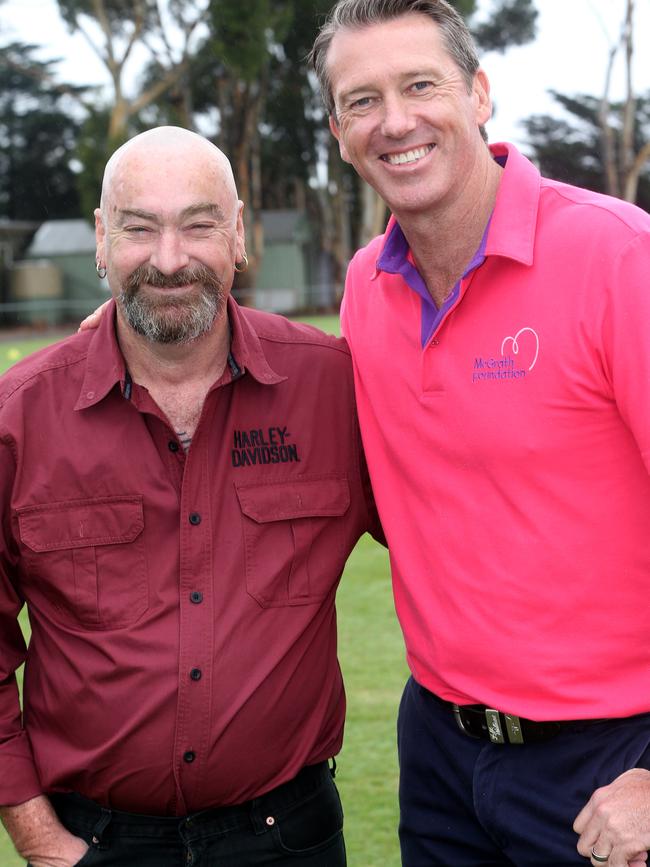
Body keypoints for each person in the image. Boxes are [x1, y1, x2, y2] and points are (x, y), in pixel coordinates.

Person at [310, 1, 650, 865]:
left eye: (419, 84)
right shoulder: (364, 287)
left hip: (613, 765)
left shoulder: (620, 259)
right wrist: (129, 327)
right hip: (440, 758)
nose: (395, 120)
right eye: (361, 100)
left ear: (480, 94)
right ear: (339, 132)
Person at [0, 126, 381, 867]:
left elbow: (466, 537)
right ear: (102, 242)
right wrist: (39, 838)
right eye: (140, 228)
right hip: (95, 844)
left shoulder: (335, 389)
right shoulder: (19, 417)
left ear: (238, 236)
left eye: (198, 224)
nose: (169, 259)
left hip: (291, 837)